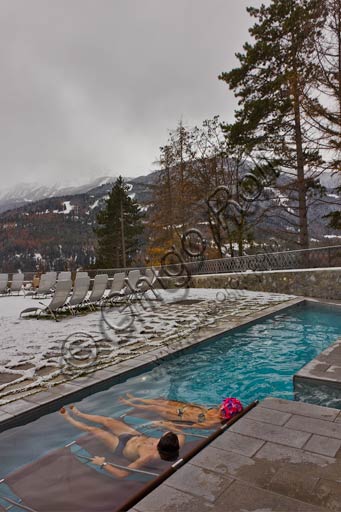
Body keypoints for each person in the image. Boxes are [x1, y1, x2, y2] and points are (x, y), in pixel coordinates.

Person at [59, 405, 185, 479]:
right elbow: (181, 432)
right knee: (108, 421)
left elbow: (122, 474)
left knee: (94, 430)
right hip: (134, 435)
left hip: (120, 446)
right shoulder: (176, 442)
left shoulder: (147, 457)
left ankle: (69, 419)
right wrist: (168, 425)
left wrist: (102, 464)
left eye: (163, 434)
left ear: (160, 443)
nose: (163, 432)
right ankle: (80, 414)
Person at [119, 393, 243, 429]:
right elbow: (201, 408)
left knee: (156, 407)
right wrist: (190, 405)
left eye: (224, 405)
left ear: (224, 411)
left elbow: (192, 426)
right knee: (160, 402)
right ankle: (136, 398)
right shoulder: (216, 410)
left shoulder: (212, 422)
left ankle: (130, 404)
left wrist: (171, 425)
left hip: (178, 415)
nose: (221, 404)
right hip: (183, 408)